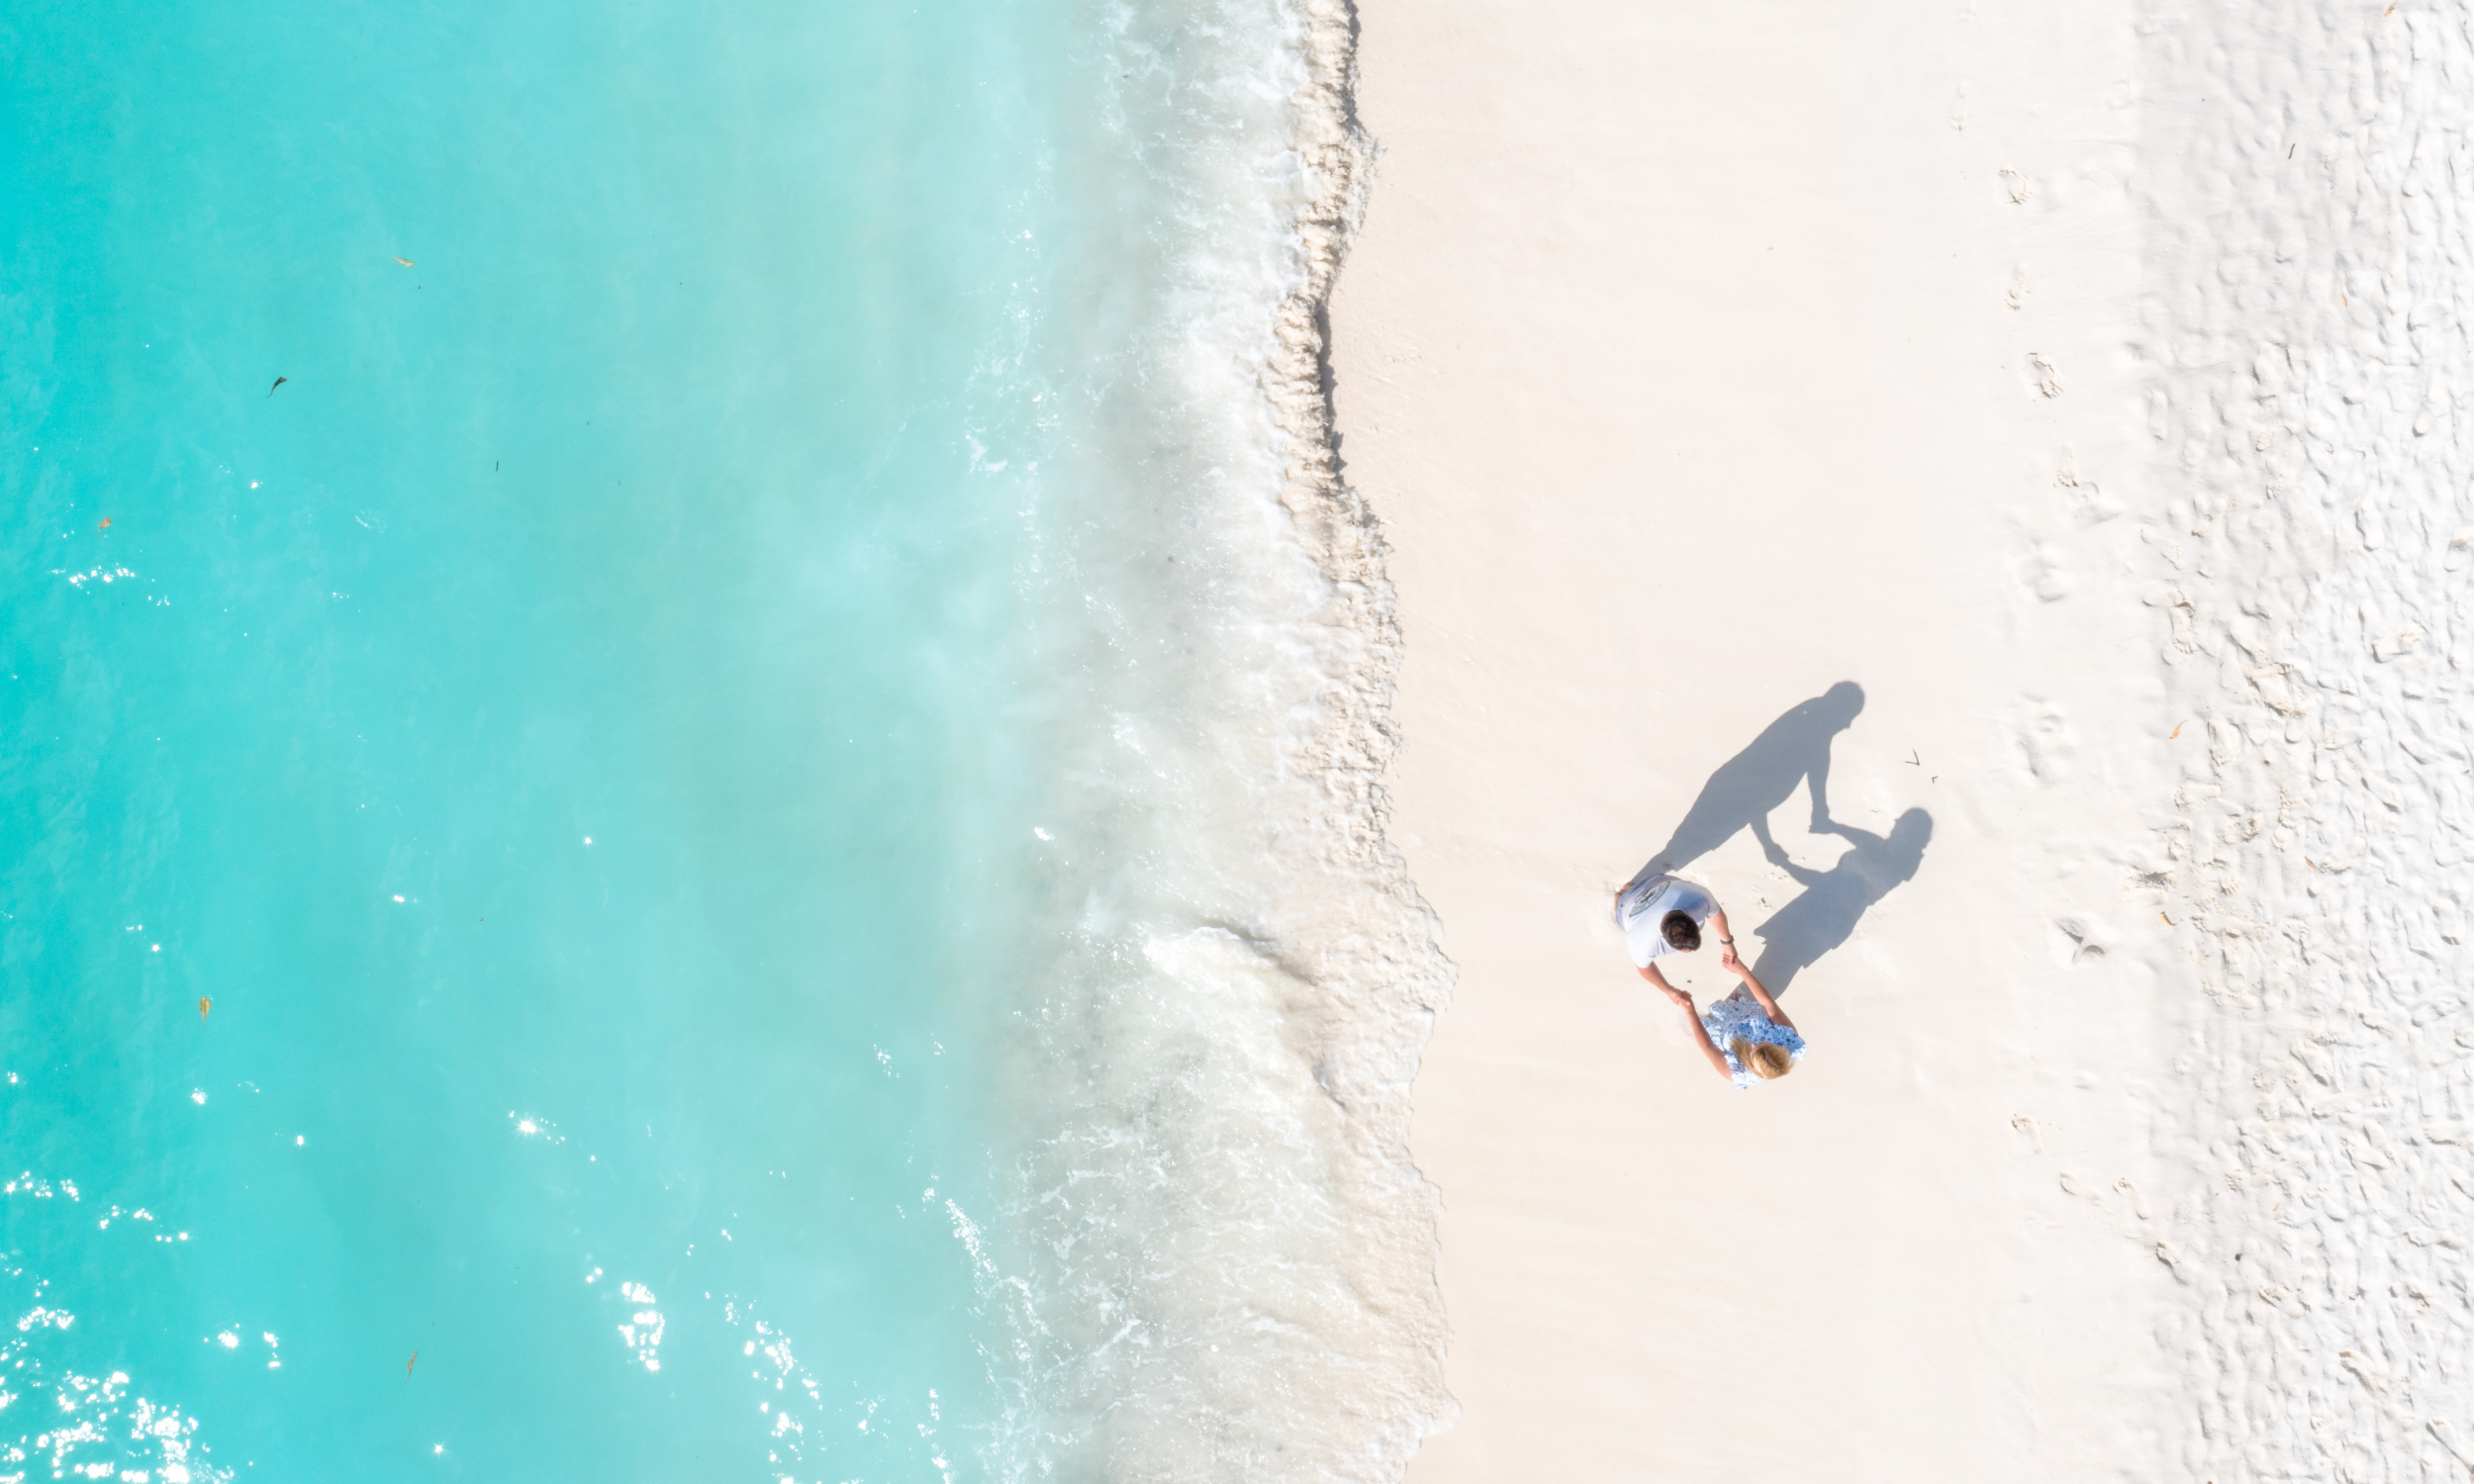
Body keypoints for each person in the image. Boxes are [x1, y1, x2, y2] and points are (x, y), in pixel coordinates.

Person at [1654, 945, 1805, 1087]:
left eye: (1754, 1049)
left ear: (1751, 1064)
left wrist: (1689, 1010)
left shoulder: (1735, 1072)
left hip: (1722, 1032)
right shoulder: (1788, 1041)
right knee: (1745, 1004)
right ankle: (1738, 1007)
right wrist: (1742, 970)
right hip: (1747, 1016)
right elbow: (1767, 1002)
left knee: (1699, 1025)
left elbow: (1708, 1046)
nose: (1753, 1043)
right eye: (1762, 1043)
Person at [1612, 869, 1731, 977]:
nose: (1688, 951)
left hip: (1655, 883)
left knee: (1650, 890)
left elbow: (1715, 913)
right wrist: (1670, 991)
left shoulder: (1698, 897)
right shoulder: (1642, 941)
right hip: (1635, 898)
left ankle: (1633, 890)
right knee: (1620, 919)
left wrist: (1727, 943)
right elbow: (1643, 967)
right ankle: (1621, 896)